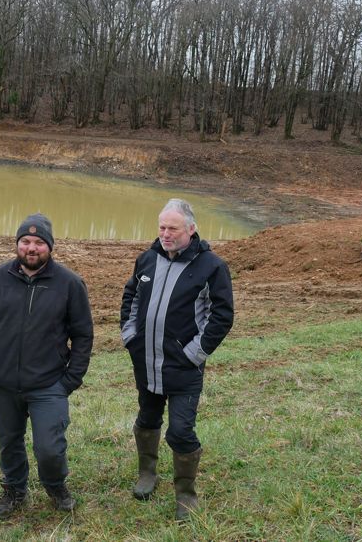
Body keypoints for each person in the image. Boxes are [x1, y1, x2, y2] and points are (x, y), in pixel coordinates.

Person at [0, 213, 94, 518]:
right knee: (9, 441)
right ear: (17, 245)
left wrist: (70, 380)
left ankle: (54, 484)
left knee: (49, 447)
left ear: (50, 247)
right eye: (25, 241)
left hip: (49, 384)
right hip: (1, 382)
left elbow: (83, 335)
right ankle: (14, 489)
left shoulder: (69, 284)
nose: (31, 247)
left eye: (39, 242)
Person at [120, 198, 234, 521]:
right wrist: (130, 336)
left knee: (181, 431)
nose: (166, 234)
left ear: (191, 229)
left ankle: (185, 493)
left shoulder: (211, 267)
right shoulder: (146, 260)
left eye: (173, 228)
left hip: (183, 369)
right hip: (147, 366)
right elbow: (130, 297)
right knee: (147, 419)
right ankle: (147, 474)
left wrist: (194, 353)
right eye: (162, 227)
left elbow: (222, 315)